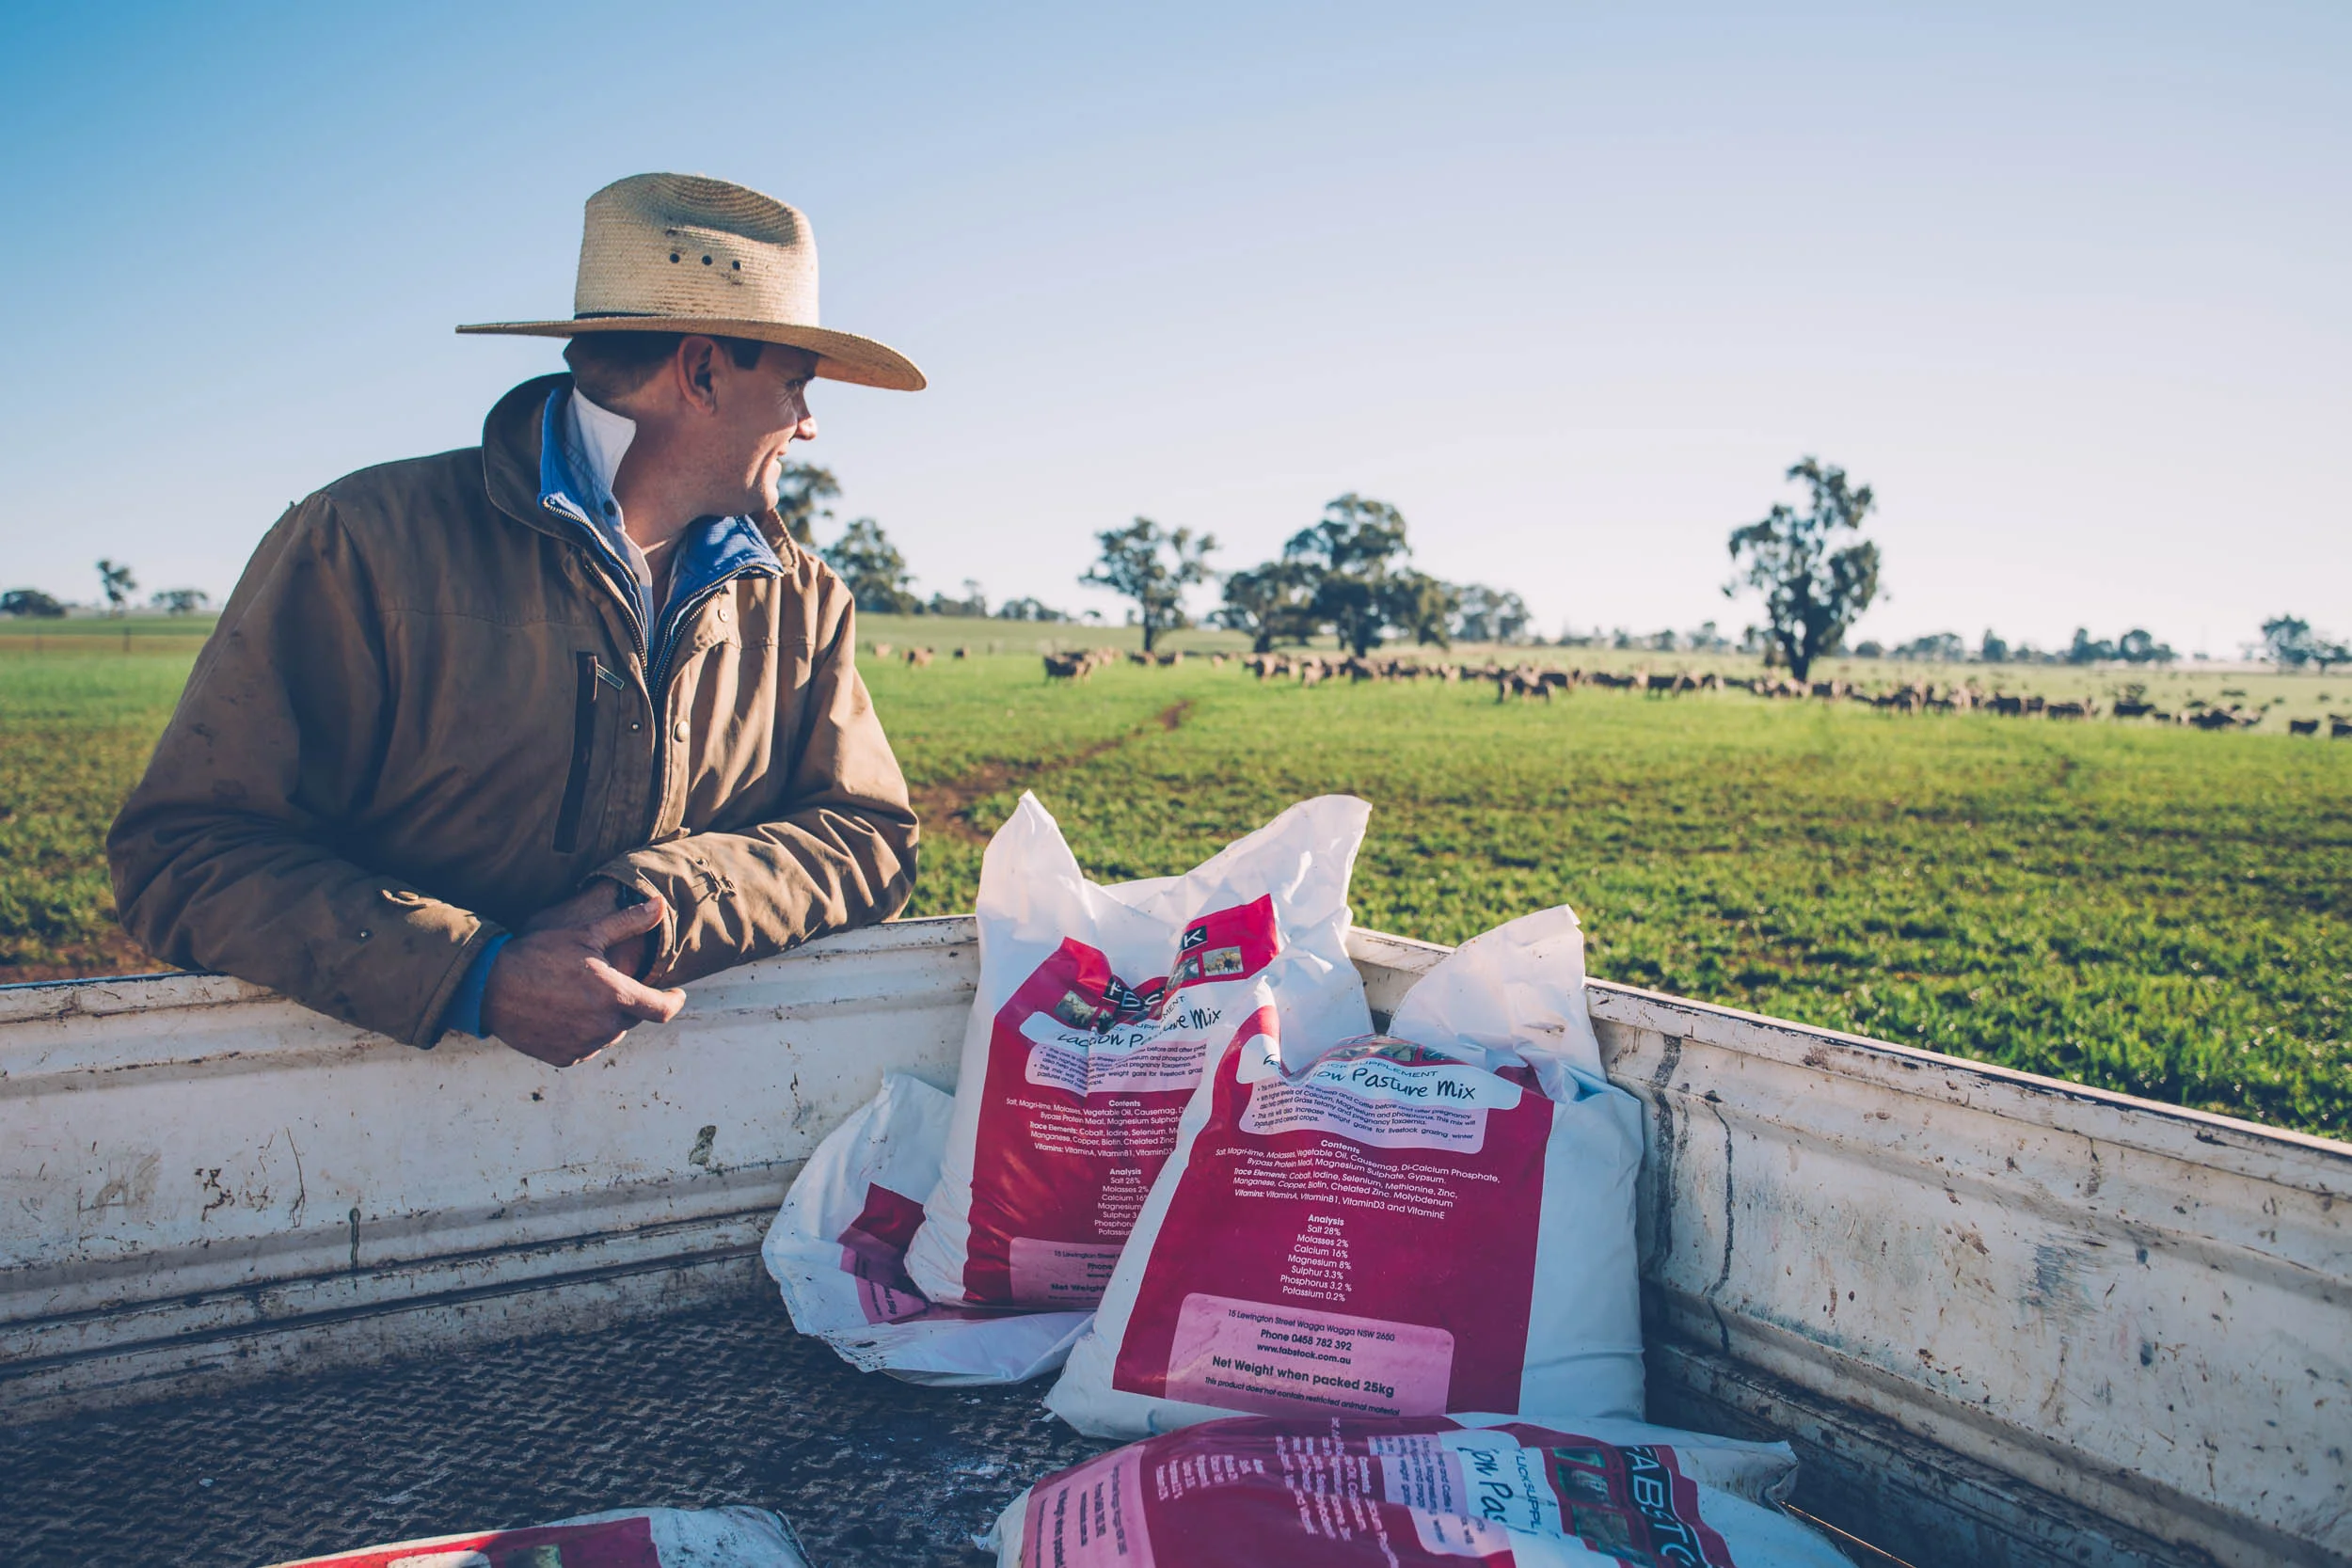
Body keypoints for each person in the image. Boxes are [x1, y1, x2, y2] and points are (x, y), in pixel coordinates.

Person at [108, 173, 924, 1067]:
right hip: (373, 1117)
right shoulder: (362, 542)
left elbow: (869, 837)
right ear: (701, 372)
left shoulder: (805, 599)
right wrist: (474, 974)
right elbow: (184, 854)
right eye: (796, 385)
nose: (808, 424)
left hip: (682, 1112)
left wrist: (656, 906)